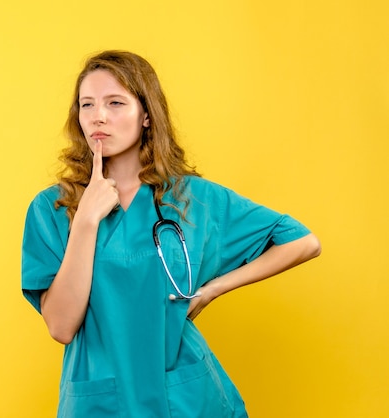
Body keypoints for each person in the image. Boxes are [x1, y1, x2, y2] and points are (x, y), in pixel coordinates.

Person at [21, 50, 321, 418]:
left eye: (115, 102)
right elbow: (61, 326)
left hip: (187, 397)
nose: (98, 116)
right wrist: (85, 220)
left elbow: (303, 242)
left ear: (146, 115)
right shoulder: (53, 208)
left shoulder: (191, 198)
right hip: (101, 401)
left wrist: (213, 289)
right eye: (87, 104)